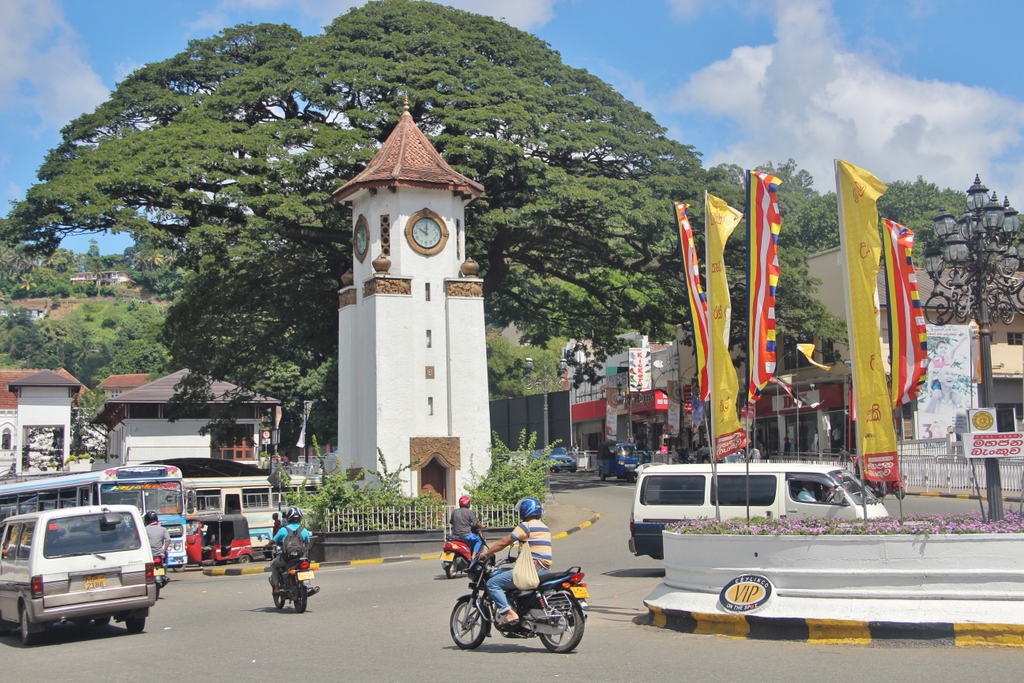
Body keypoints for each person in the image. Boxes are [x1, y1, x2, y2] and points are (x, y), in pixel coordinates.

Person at [477, 497, 552, 627]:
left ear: (525, 510)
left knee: (492, 583)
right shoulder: (545, 527)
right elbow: (536, 550)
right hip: (543, 570)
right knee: (506, 574)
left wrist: (486, 554)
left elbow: (504, 542)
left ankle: (510, 613)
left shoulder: (526, 526)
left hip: (531, 571)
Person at [270, 506, 313, 594]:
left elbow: (274, 541)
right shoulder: (303, 530)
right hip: (300, 558)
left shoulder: (283, 530)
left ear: (288, 518)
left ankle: (277, 588)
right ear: (300, 518)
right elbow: (308, 541)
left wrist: (266, 545)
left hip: (287, 558)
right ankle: (306, 586)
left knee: (273, 564)